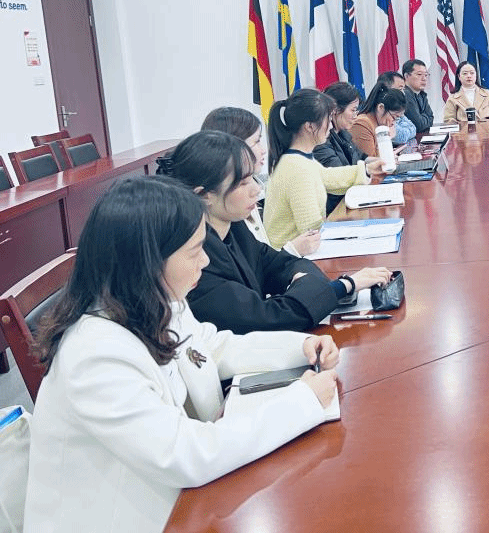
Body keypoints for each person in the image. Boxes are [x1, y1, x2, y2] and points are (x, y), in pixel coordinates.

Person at [26, 176, 339, 533]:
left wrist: (298, 347)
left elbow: (210, 348)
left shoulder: (156, 299)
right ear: (147, 261)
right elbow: (184, 454)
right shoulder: (95, 355)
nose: (205, 261)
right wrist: (302, 402)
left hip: (175, 498)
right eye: (194, 251)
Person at [158, 131, 393, 332]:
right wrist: (342, 286)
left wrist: (306, 287)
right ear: (204, 195)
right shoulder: (195, 260)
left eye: (252, 178)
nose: (256, 189)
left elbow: (284, 264)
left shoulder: (234, 227)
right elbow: (269, 319)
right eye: (242, 183)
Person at [264, 88, 379, 249]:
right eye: (328, 120)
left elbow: (327, 176)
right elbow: (311, 228)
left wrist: (367, 169)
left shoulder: (300, 158)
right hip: (293, 257)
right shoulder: (297, 168)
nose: (331, 127)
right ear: (310, 126)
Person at [200, 106, 319, 256]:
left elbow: (260, 258)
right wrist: (292, 250)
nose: (263, 150)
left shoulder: (251, 188)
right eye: (256, 142)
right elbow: (253, 267)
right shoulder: (229, 208)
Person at [313, 82, 369, 213]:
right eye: (353, 110)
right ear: (336, 110)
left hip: (350, 201)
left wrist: (380, 161)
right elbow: (339, 175)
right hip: (335, 209)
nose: (356, 116)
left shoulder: (343, 133)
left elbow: (361, 157)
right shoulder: (321, 142)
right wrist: (368, 169)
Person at [352, 82, 409, 156]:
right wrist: (386, 139)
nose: (393, 123)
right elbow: (371, 160)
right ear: (381, 108)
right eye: (394, 117)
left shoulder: (379, 124)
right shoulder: (362, 124)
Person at [376, 71, 417, 144]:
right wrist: (406, 131)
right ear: (387, 89)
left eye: (403, 89)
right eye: (400, 89)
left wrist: (405, 131)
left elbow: (413, 128)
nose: (403, 93)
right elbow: (401, 137)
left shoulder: (397, 107)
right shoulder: (383, 110)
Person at [402, 58, 434, 131]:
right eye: (419, 74)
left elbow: (431, 118)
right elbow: (418, 125)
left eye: (426, 75)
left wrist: (423, 117)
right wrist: (425, 117)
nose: (424, 79)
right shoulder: (405, 94)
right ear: (406, 76)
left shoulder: (421, 94)